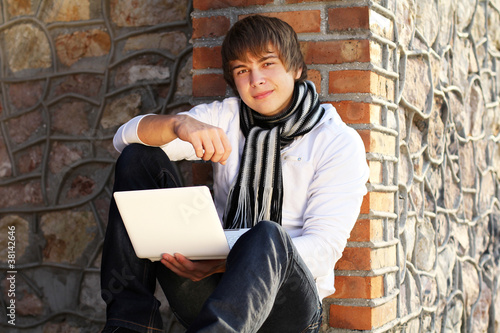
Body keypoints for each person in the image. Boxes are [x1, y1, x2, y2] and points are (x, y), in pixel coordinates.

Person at [101, 15, 369, 333]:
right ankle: (130, 325)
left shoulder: (336, 140)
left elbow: (323, 249)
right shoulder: (225, 118)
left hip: (288, 308)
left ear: (296, 69)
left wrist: (228, 253)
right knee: (139, 157)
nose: (255, 79)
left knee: (268, 235)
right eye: (243, 70)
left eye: (267, 64)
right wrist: (178, 125)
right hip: (206, 285)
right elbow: (124, 141)